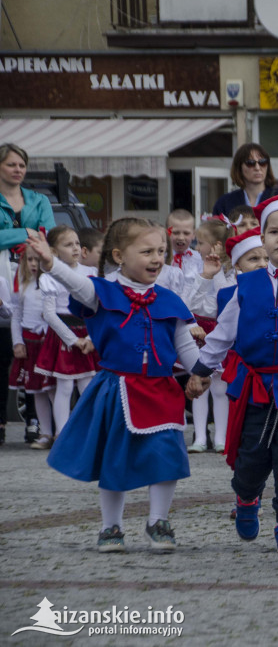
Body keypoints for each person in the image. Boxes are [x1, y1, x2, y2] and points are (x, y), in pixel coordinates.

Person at [26, 219, 211, 553]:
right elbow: (74, 283)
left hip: (161, 390)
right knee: (116, 459)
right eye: (146, 251)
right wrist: (51, 263)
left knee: (167, 456)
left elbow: (184, 344)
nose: (156, 258)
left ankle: (159, 520)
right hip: (118, 389)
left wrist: (200, 372)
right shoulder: (102, 291)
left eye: (160, 251)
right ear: (119, 255)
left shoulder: (169, 300)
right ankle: (111, 526)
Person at [188, 192, 278, 554]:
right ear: (262, 238)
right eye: (274, 232)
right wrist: (202, 371)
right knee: (252, 455)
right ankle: (246, 499)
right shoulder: (245, 287)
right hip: (255, 386)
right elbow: (223, 334)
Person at [0, 143, 56, 445]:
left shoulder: (38, 200)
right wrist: (25, 233)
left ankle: (36, 422)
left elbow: (50, 235)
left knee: (37, 355)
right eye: (11, 165)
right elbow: (37, 234)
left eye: (22, 165)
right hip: (1, 277)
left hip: (33, 278)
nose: (18, 170)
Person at [33, 226, 97, 437]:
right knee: (65, 386)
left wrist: (89, 337)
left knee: (87, 385)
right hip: (63, 334)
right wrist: (72, 340)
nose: (75, 248)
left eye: (77, 243)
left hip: (87, 333)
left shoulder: (91, 273)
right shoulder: (48, 278)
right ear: (53, 251)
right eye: (68, 245)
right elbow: (50, 314)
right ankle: (63, 433)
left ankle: (89, 432)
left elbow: (98, 309)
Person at [186, 219, 232, 453]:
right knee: (199, 384)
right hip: (200, 329)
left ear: (215, 245)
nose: (197, 247)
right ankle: (200, 437)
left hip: (222, 329)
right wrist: (205, 275)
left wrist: (217, 273)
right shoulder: (197, 268)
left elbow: (225, 301)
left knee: (220, 388)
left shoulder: (233, 272)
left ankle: (222, 437)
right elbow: (190, 302)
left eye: (200, 242)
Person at [9, 247, 54, 448]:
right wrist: (17, 341)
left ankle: (61, 431)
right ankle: (45, 433)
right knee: (36, 390)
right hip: (30, 344)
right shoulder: (22, 286)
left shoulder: (53, 284)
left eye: (37, 260)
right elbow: (16, 316)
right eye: (30, 260)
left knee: (54, 389)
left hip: (49, 342)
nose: (34, 264)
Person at [211, 144, 278, 218]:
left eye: (262, 162)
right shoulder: (225, 203)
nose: (257, 168)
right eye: (250, 163)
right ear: (239, 168)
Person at [166, 209, 202, 286]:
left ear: (194, 234)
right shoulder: (162, 258)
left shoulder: (199, 259)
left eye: (186, 233)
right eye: (175, 233)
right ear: (167, 232)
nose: (181, 237)